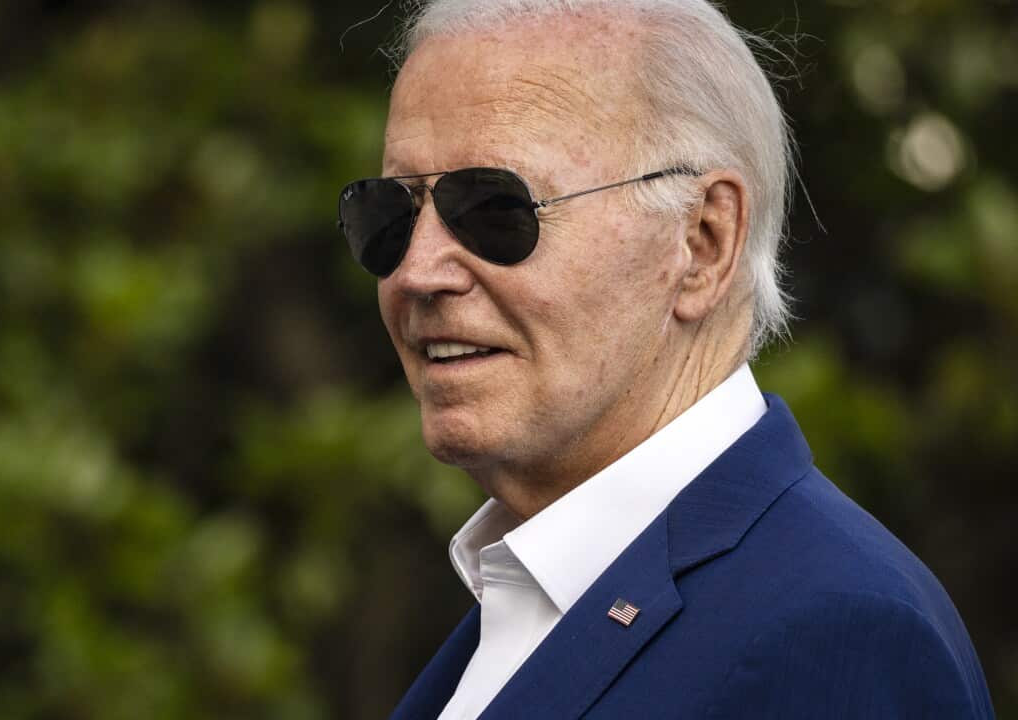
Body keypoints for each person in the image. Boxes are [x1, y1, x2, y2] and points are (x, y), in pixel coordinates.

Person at [335, 1, 995, 718]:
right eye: (392, 213)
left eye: (496, 207)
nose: (416, 272)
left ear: (704, 242)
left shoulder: (837, 632)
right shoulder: (533, 598)